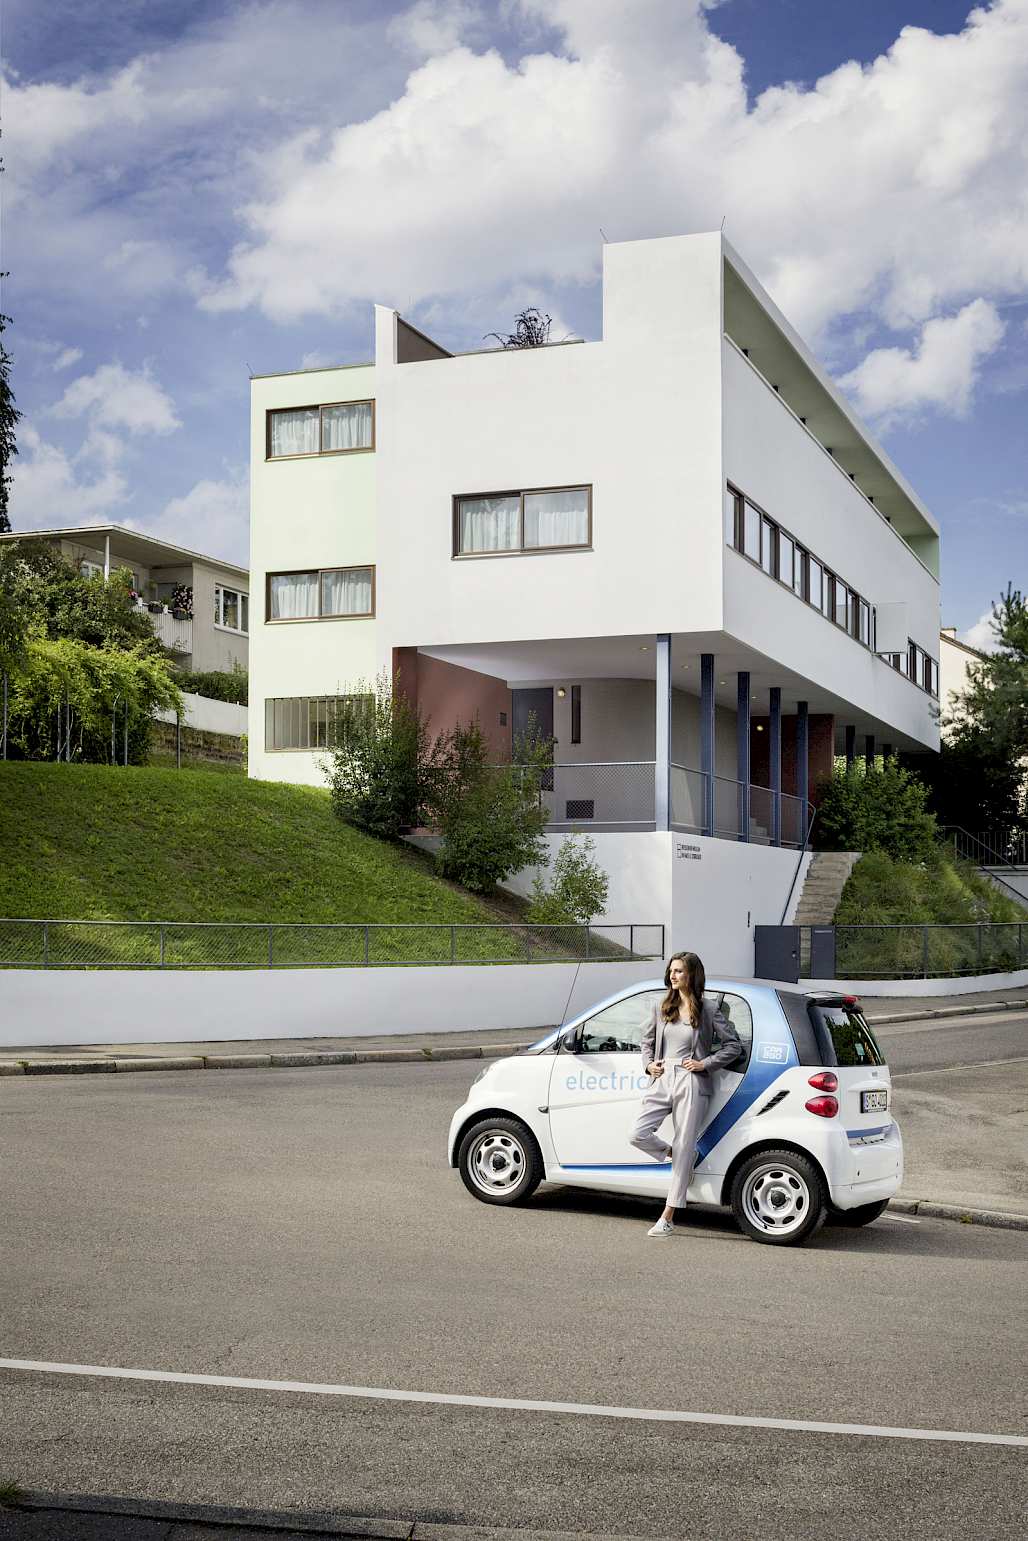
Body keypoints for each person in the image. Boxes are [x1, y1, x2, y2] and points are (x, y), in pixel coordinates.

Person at [630, 951, 743, 1236]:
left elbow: (733, 1046)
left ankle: (667, 1216)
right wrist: (648, 1065)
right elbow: (647, 1042)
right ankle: (679, 1155)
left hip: (692, 1080)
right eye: (671, 970)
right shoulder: (661, 1006)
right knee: (637, 1134)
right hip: (662, 1077)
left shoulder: (708, 1009)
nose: (673, 975)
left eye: (679, 970)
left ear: (692, 975)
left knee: (684, 1142)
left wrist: (705, 1064)